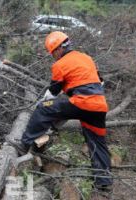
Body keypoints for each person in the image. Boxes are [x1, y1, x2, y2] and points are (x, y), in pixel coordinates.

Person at [20, 31, 113, 190]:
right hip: (99, 105)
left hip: (82, 102)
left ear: (57, 49)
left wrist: (43, 102)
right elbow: (100, 82)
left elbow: (52, 92)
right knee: (97, 141)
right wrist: (72, 90)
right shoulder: (86, 58)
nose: (53, 56)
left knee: (44, 108)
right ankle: (104, 182)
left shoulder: (59, 65)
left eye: (52, 53)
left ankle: (25, 143)